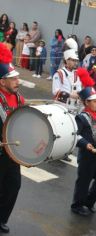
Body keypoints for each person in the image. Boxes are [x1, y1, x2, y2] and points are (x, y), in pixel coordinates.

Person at [71, 87, 96, 216]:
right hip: (87, 155)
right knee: (84, 181)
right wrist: (86, 144)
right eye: (93, 101)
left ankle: (89, 201)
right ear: (86, 102)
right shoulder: (81, 117)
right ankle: (77, 205)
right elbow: (75, 135)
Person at [0, 43, 25, 233]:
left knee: (13, 186)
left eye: (17, 77)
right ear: (2, 81)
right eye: (12, 78)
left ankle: (1, 218)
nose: (17, 81)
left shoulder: (18, 98)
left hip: (12, 152)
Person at [52, 39, 82, 109]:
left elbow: (79, 88)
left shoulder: (77, 74)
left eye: (76, 61)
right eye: (73, 60)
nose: (76, 63)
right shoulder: (59, 73)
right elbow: (55, 91)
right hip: (61, 105)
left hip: (74, 105)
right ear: (67, 60)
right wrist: (69, 95)